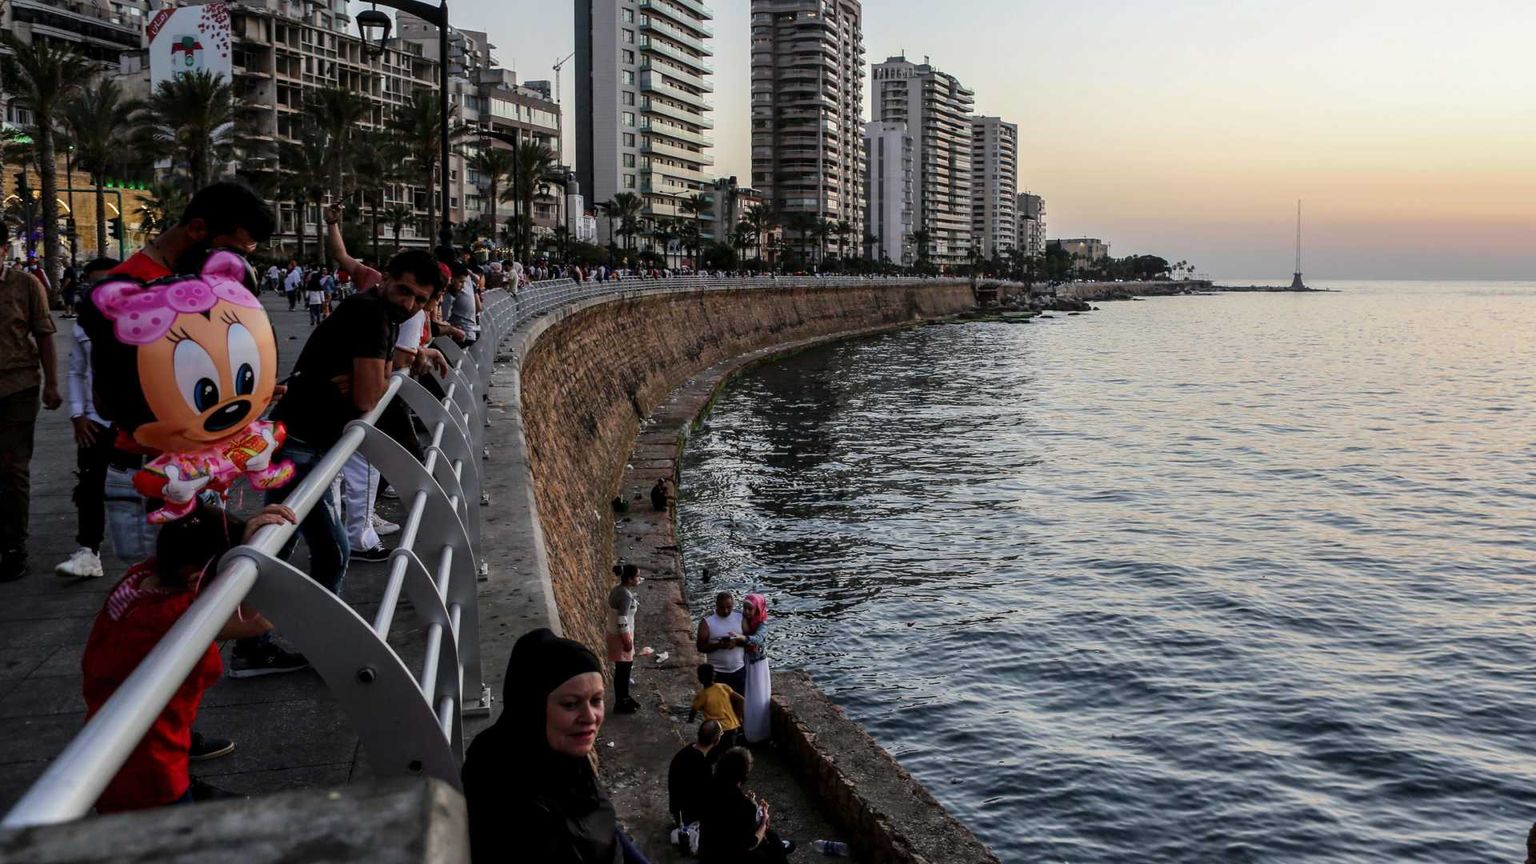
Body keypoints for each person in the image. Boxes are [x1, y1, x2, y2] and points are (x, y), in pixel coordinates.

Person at [85, 181, 276, 573]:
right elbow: (107, 400)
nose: (238, 267)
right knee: (166, 598)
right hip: (153, 474)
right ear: (198, 230)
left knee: (210, 586)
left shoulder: (206, 285)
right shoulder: (130, 290)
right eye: (233, 251)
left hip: (201, 469)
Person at [262, 245, 446, 630]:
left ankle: (269, 638)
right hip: (299, 444)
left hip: (305, 441)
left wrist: (373, 379)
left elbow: (373, 385)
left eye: (420, 299)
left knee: (284, 542)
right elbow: (368, 398)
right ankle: (305, 639)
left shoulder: (382, 314)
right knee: (322, 551)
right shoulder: (370, 314)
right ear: (386, 278)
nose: (409, 302)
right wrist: (375, 380)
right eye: (404, 290)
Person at [81, 504, 296, 812]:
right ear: (198, 578)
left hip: (105, 741)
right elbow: (261, 619)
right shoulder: (178, 618)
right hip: (150, 763)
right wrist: (251, 555)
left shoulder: (140, 577)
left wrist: (238, 543)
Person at [461, 628, 650, 864]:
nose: (590, 717)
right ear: (533, 708)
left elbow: (611, 834)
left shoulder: (561, 754)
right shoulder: (510, 800)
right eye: (571, 704)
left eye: (596, 700)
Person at [54, 257, 120, 579]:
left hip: (138, 422)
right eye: (94, 282)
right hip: (95, 419)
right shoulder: (83, 324)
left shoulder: (147, 319)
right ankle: (89, 552)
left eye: (108, 281)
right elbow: (76, 372)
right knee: (91, 483)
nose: (101, 288)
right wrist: (77, 415)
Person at [0, 257, 62, 581]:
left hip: (18, 387)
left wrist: (51, 383)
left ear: (3, 249)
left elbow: (45, 334)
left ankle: (13, 547)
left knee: (12, 466)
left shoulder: (26, 284)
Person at [698, 747, 793, 863]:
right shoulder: (746, 806)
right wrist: (764, 821)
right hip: (729, 856)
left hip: (707, 852)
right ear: (743, 774)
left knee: (772, 839)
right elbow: (750, 843)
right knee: (773, 845)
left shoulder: (707, 788)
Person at [668, 720, 723, 829]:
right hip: (688, 817)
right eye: (721, 733)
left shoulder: (685, 752)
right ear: (716, 740)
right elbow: (709, 796)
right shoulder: (702, 765)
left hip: (677, 810)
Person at [696, 591, 747, 696]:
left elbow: (750, 641)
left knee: (741, 703)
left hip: (739, 669)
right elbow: (700, 647)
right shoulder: (707, 621)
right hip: (717, 673)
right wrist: (719, 645)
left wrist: (736, 642)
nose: (725, 610)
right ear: (716, 605)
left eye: (729, 607)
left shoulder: (740, 617)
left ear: (733, 605)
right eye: (721, 607)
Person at [607, 563, 641, 715]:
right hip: (621, 636)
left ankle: (622, 698)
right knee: (624, 670)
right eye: (637, 576)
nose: (639, 579)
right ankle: (622, 701)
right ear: (629, 578)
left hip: (613, 633)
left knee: (621, 669)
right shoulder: (626, 596)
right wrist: (627, 641)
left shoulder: (617, 589)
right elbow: (622, 620)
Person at [741, 594, 773, 744]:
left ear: (758, 609)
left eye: (750, 609)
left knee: (758, 694)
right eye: (745, 608)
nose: (746, 611)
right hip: (747, 660)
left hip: (758, 663)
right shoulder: (745, 620)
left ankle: (759, 732)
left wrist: (744, 639)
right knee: (749, 693)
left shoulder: (762, 624)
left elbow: (759, 638)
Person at [688, 664, 744, 749]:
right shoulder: (723, 687)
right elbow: (741, 700)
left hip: (717, 731)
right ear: (714, 675)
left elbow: (693, 711)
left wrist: (690, 721)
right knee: (730, 752)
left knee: (716, 753)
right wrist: (738, 717)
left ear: (699, 679)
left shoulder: (702, 695)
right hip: (733, 727)